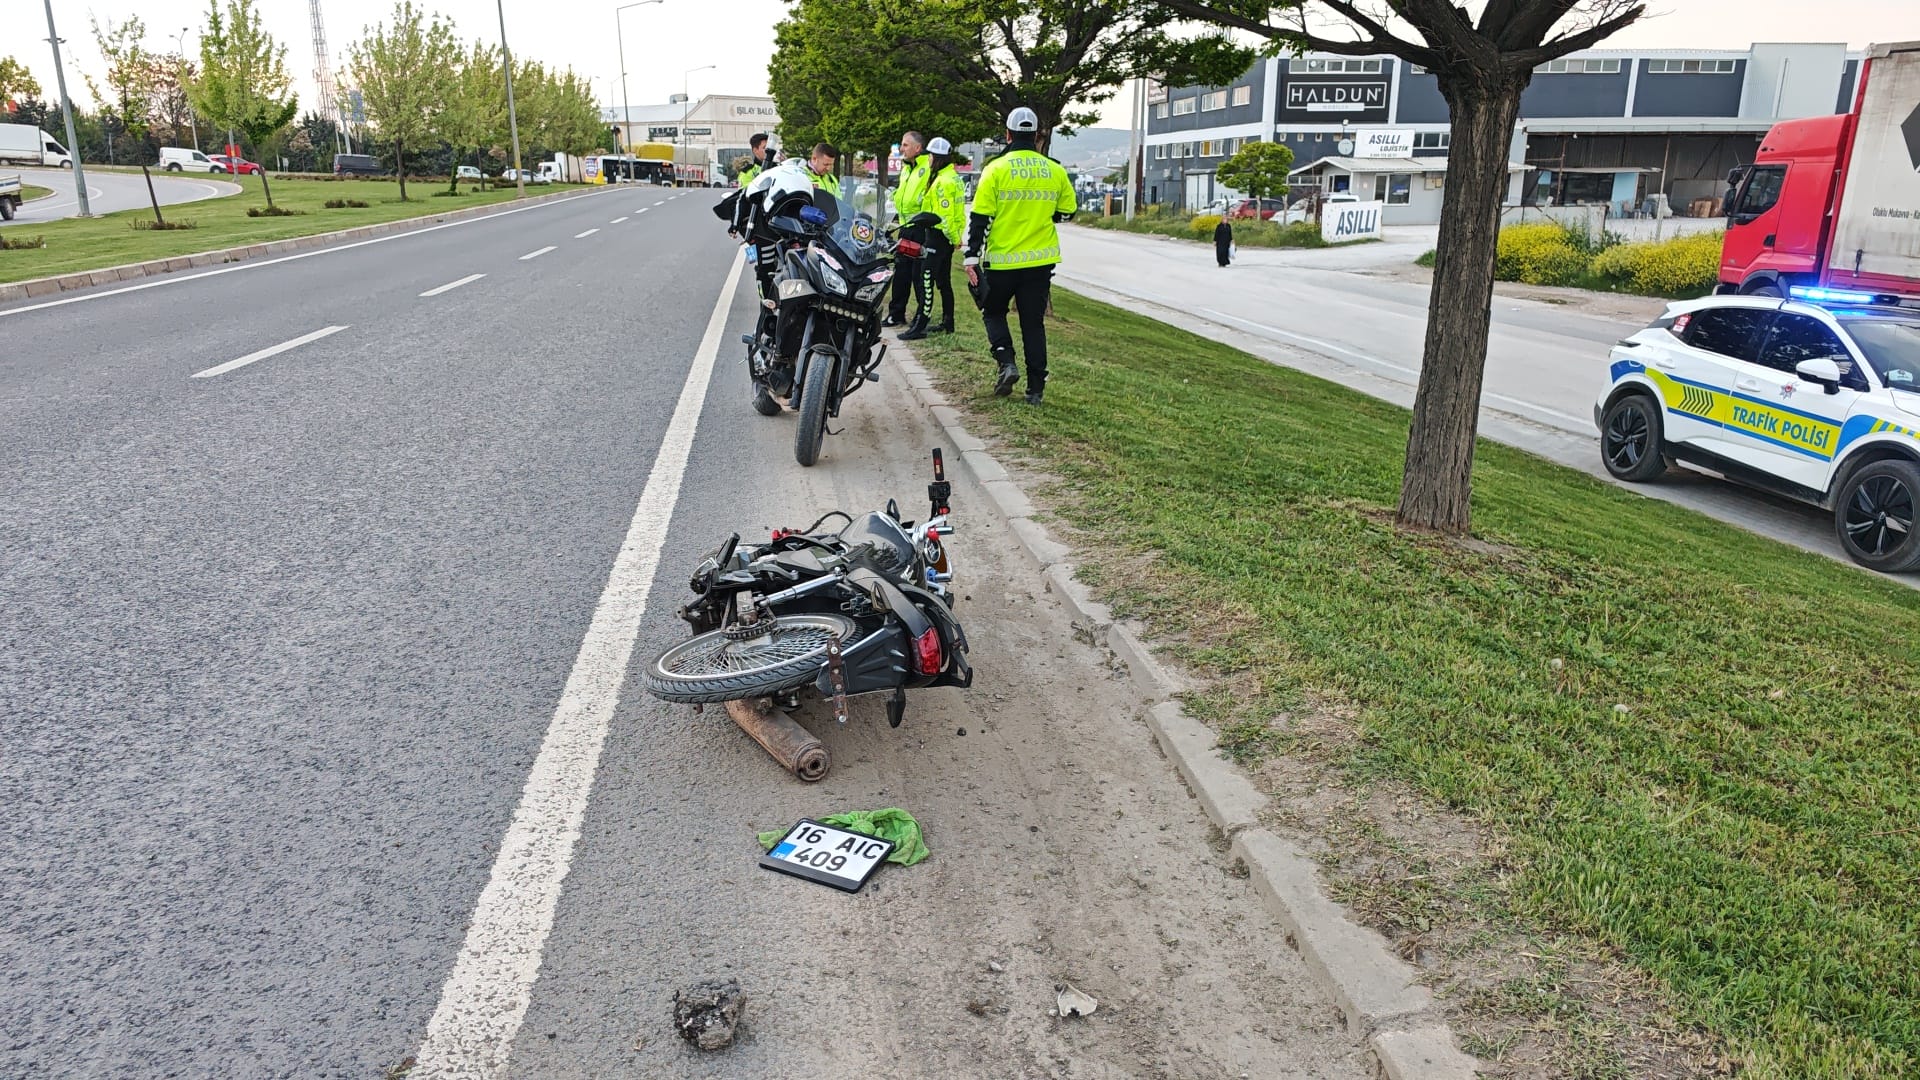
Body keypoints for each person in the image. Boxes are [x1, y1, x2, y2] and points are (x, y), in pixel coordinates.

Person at [963, 107, 1077, 404]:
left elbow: (980, 218)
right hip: (1039, 263)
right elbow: (1067, 212)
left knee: (993, 312)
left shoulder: (996, 169)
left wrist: (971, 257)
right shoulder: (1054, 169)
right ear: (1038, 136)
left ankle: (1006, 362)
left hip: (1001, 261)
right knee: (1033, 324)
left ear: (1008, 135)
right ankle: (1036, 390)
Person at [901, 137, 963, 341]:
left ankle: (920, 325)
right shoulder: (950, 177)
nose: (927, 158)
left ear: (936, 158)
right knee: (944, 282)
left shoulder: (943, 181)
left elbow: (945, 216)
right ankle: (948, 322)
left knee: (926, 280)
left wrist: (955, 238)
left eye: (930, 155)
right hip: (944, 237)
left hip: (938, 236)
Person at [884, 131, 929, 328]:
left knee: (918, 275)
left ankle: (921, 318)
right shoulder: (906, 168)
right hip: (905, 227)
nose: (901, 149)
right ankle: (896, 314)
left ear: (917, 148)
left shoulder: (927, 167)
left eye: (905, 145)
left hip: (921, 228)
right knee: (901, 273)